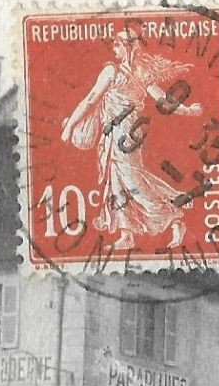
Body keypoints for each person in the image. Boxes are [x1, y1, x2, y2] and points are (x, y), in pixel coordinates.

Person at [58, 27, 205, 252]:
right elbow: (163, 100)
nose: (114, 48)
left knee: (132, 180)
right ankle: (127, 234)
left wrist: (69, 126)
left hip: (125, 133)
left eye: (118, 44)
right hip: (123, 133)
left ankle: (173, 218)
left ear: (128, 46)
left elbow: (90, 100)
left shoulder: (114, 71)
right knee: (117, 180)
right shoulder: (136, 72)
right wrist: (188, 110)